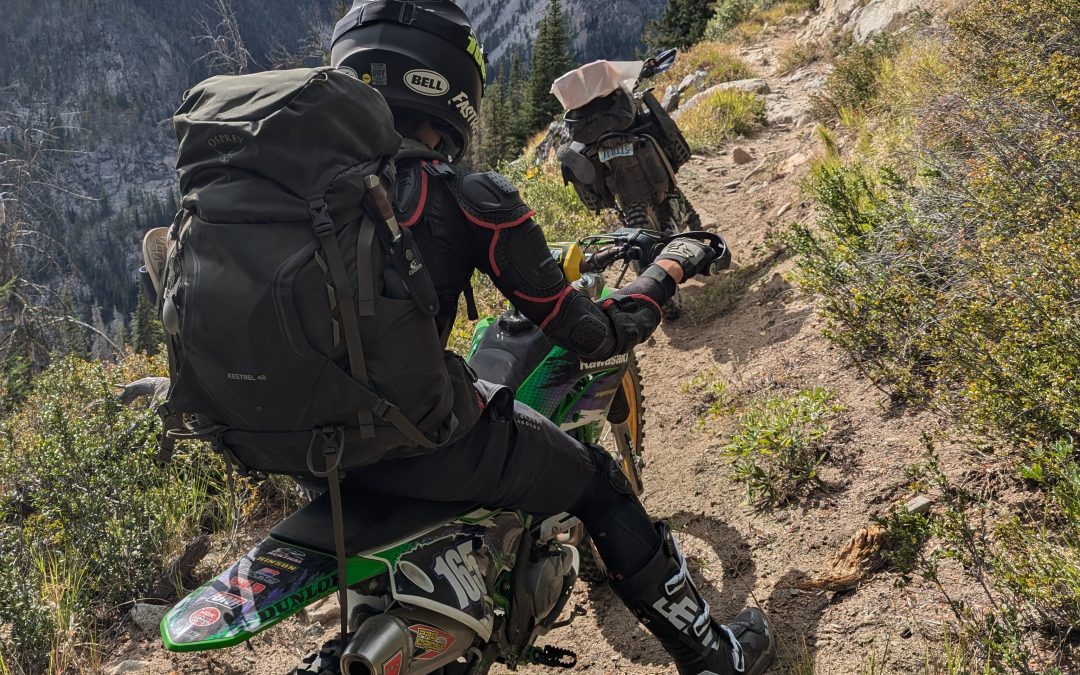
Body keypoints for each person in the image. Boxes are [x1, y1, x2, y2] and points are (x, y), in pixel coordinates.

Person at [315, 2, 778, 674]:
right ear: (449, 85)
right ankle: (713, 656)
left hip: (305, 455)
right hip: (417, 441)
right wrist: (671, 266)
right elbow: (594, 333)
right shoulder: (458, 194)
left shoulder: (302, 196)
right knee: (598, 482)